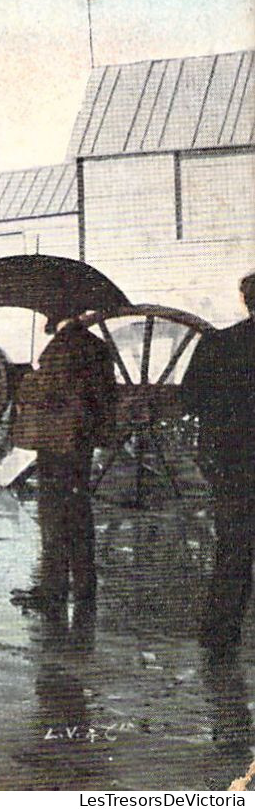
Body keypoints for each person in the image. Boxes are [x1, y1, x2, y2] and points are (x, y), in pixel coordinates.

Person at [10, 312, 117, 619]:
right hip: (80, 443)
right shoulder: (96, 346)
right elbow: (102, 397)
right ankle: (85, 586)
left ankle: (53, 591)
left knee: (54, 517)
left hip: (56, 443)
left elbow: (42, 392)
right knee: (80, 512)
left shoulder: (62, 347)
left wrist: (27, 381)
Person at [181, 272, 255, 655]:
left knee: (233, 549)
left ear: (246, 301)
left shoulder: (218, 344)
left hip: (230, 461)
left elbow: (189, 399)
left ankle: (220, 636)